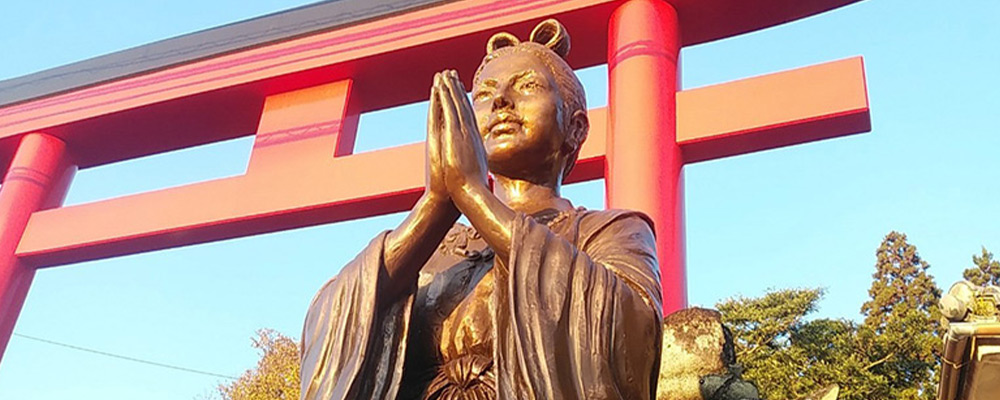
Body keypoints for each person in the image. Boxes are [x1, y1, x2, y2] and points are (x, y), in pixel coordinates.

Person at [300, 19, 663, 400]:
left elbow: (630, 330)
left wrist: (472, 195)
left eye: (527, 86)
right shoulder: (430, 247)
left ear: (575, 129)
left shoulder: (608, 231)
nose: (501, 102)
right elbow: (330, 317)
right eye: (485, 95)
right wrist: (437, 205)